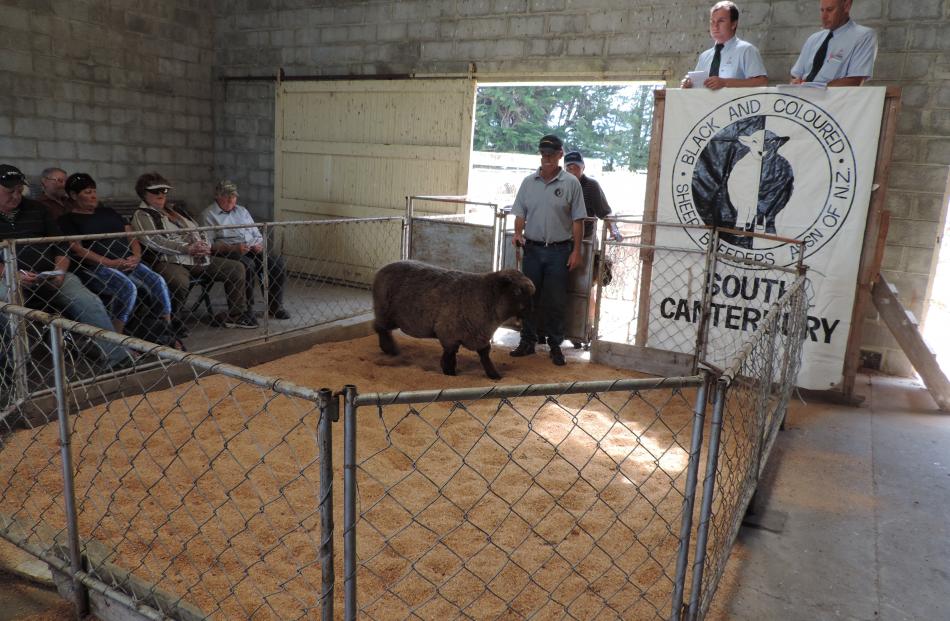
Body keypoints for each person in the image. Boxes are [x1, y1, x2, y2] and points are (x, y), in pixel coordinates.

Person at [0, 164, 131, 370]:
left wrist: (60, 271)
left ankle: (117, 357)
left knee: (89, 301)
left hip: (49, 273)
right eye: (10, 191)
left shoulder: (37, 209)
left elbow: (61, 244)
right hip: (7, 277)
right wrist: (11, 274)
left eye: (19, 190)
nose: (16, 196)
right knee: (9, 302)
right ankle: (18, 368)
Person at [58, 173, 181, 347]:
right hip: (97, 266)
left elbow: (131, 234)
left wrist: (136, 256)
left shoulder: (108, 212)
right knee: (127, 288)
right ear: (73, 195)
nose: (93, 196)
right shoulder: (67, 220)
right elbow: (77, 249)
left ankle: (166, 332)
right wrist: (110, 263)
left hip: (128, 260)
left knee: (157, 282)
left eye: (94, 191)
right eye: (87, 192)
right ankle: (118, 340)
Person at [130, 172, 255, 329]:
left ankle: (236, 315)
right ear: (144, 193)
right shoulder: (142, 214)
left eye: (164, 191)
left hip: (197, 256)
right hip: (170, 259)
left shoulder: (174, 210)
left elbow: (198, 228)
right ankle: (171, 321)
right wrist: (187, 248)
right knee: (179, 281)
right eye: (156, 191)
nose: (161, 194)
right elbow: (154, 241)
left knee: (236, 268)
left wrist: (203, 245)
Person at [509, 135, 587, 367]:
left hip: (559, 251)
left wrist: (576, 251)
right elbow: (520, 213)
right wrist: (517, 233)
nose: (547, 159)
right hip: (532, 249)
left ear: (560, 155)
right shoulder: (528, 182)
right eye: (544, 155)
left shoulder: (571, 183)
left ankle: (555, 345)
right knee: (528, 297)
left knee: (555, 299)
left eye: (552, 155)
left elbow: (577, 220)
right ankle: (527, 341)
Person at [201, 180, 290, 320]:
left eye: (233, 196)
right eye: (226, 195)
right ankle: (246, 309)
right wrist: (233, 248)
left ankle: (275, 306)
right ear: (217, 196)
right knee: (247, 265)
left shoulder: (242, 211)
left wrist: (259, 244)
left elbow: (257, 234)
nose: (231, 199)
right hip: (227, 253)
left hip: (250, 248)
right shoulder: (208, 215)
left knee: (276, 262)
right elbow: (209, 245)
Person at [682, 1, 767, 89]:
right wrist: (689, 85)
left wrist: (725, 82)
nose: (715, 26)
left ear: (733, 24)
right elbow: (697, 88)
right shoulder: (704, 56)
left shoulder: (747, 50)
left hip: (735, 102)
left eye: (721, 21)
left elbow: (761, 82)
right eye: (712, 21)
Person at [790, 0, 877, 86]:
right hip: (803, 96)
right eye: (822, 10)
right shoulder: (813, 39)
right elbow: (796, 75)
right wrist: (795, 82)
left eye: (829, 10)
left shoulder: (863, 36)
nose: (824, 16)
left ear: (846, 6)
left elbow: (855, 81)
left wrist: (813, 89)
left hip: (834, 98)